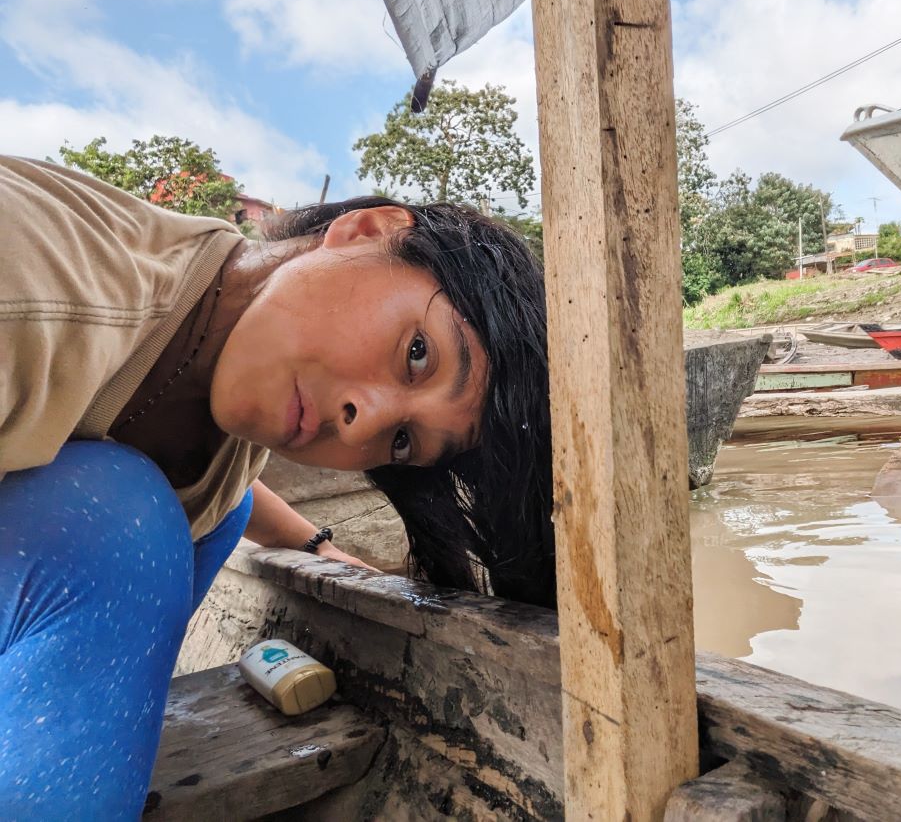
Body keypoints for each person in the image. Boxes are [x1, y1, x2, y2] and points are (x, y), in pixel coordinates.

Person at [0, 156, 554, 818]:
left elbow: (234, 491)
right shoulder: (32, 281)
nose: (365, 423)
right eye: (416, 352)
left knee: (215, 511)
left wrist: (315, 544)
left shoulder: (213, 361)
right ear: (367, 230)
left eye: (403, 440)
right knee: (121, 524)